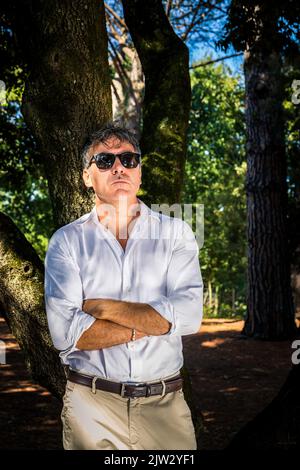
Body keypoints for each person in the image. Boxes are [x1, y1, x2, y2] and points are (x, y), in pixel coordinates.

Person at [44, 122, 203, 450]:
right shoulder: (67, 242)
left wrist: (103, 308)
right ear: (87, 176)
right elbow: (66, 334)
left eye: (129, 159)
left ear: (139, 172)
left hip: (166, 407)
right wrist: (153, 321)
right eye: (105, 160)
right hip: (92, 407)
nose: (119, 167)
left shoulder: (176, 234)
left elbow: (188, 316)